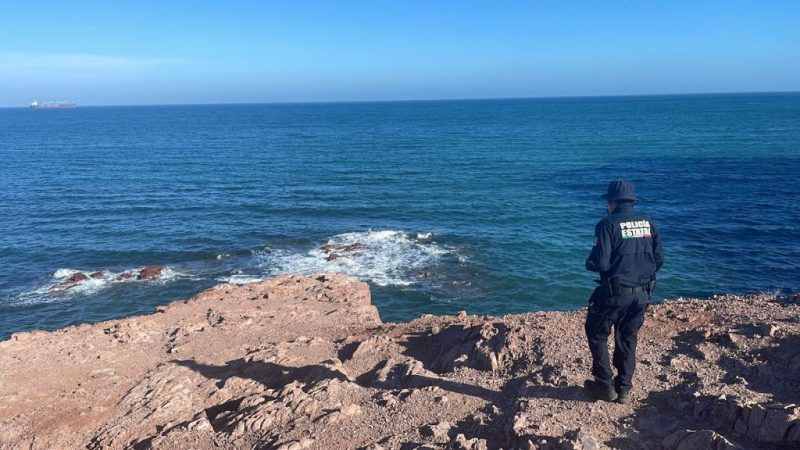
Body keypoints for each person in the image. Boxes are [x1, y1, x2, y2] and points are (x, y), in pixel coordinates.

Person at [584, 180, 664, 404]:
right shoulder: (649, 223)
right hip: (642, 294)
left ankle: (604, 385)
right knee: (628, 337)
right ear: (631, 201)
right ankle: (624, 389)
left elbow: (600, 263)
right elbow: (659, 259)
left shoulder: (606, 225)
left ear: (611, 203)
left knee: (597, 332)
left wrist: (589, 263)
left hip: (614, 293)